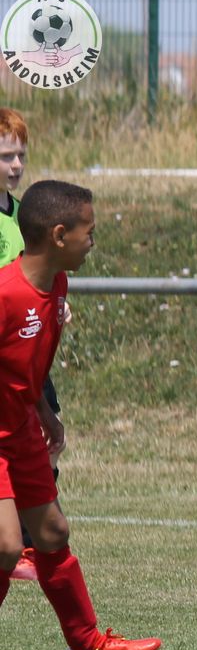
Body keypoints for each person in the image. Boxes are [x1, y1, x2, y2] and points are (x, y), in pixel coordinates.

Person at [0, 180, 161, 650]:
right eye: (88, 232)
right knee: (7, 546)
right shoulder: (6, 293)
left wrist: (45, 414)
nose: (93, 241)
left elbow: (25, 368)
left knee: (51, 533)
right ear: (58, 235)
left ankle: (89, 645)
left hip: (21, 430)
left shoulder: (57, 287)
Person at [0, 107, 61, 584]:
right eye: (6, 156)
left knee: (47, 436)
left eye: (21, 155)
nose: (17, 165)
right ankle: (17, 541)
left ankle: (26, 538)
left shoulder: (24, 215)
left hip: (27, 350)